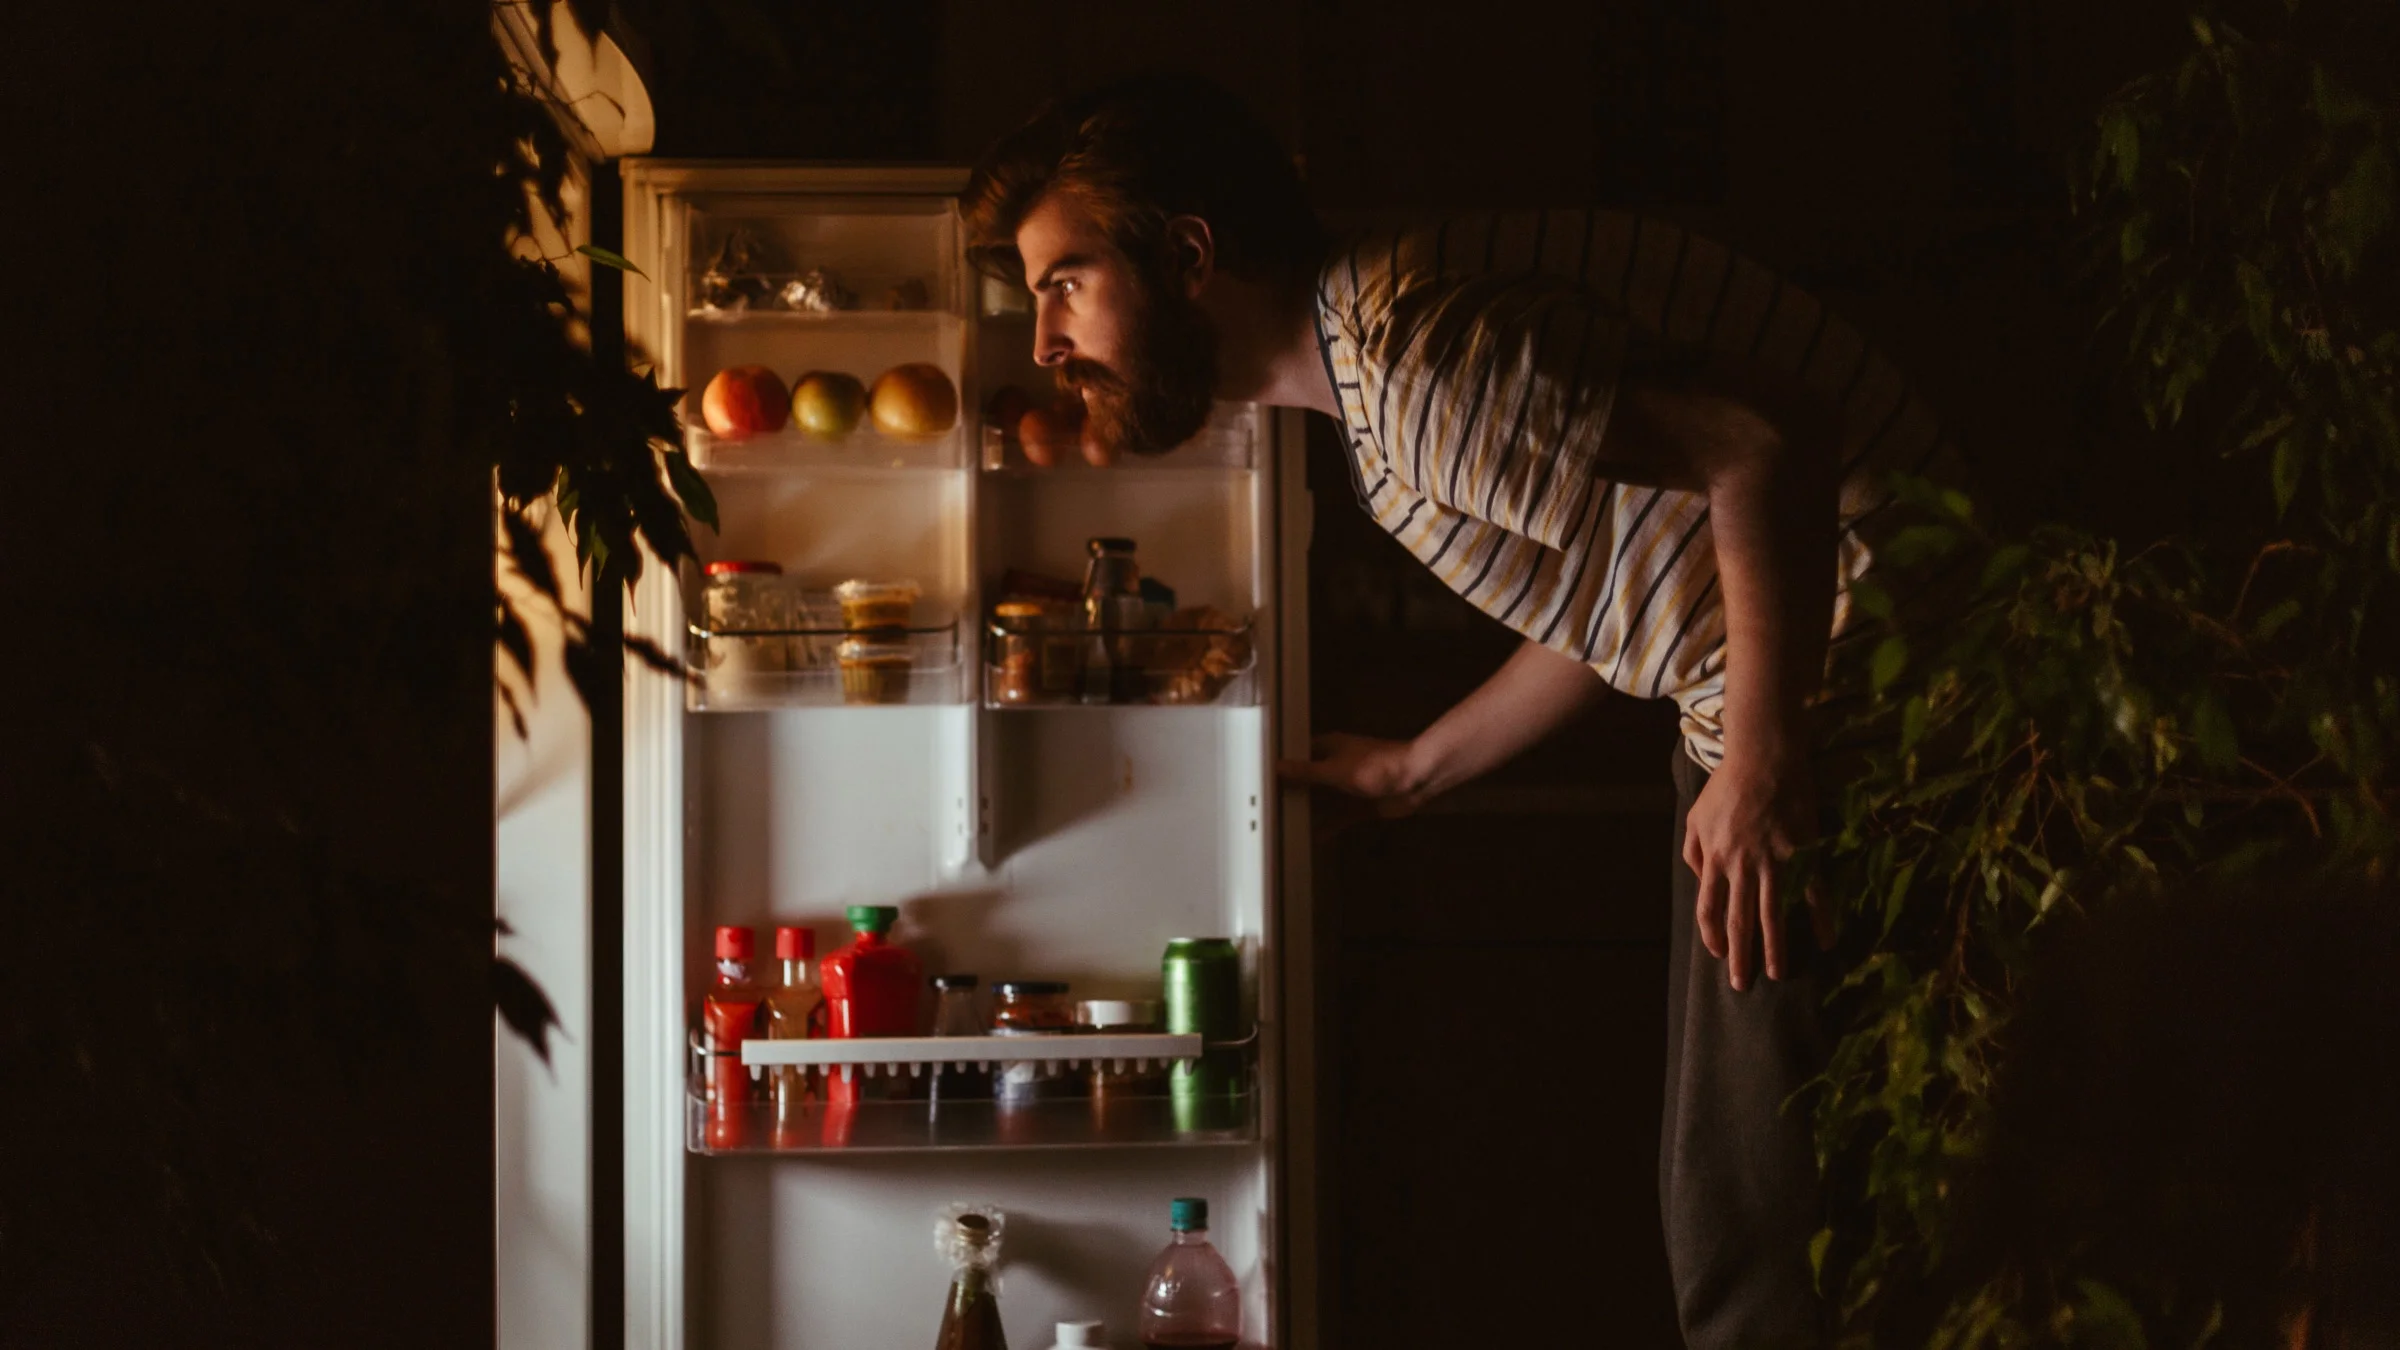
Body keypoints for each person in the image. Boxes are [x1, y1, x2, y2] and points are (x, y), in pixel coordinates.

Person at [964, 72, 1959, 1348]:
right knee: (1765, 1220)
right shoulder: (1384, 356)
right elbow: (1624, 583)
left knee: (1759, 1251)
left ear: (1189, 256)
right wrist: (1416, 772)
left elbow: (1761, 443)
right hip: (1824, 698)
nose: (1046, 342)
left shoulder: (1415, 370)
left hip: (1863, 707)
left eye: (1065, 283)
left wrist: (1765, 758)